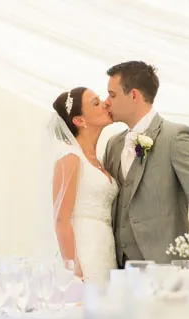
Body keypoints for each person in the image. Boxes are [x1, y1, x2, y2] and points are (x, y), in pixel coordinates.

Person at [103, 61, 189, 288]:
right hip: (119, 272)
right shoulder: (114, 145)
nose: (106, 102)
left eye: (112, 95)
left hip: (165, 270)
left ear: (133, 95)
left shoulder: (175, 137)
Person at [50, 87, 118, 284]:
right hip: (84, 250)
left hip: (105, 247)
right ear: (79, 120)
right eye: (96, 103)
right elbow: (61, 218)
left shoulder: (100, 160)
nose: (105, 103)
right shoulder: (71, 157)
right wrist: (75, 272)